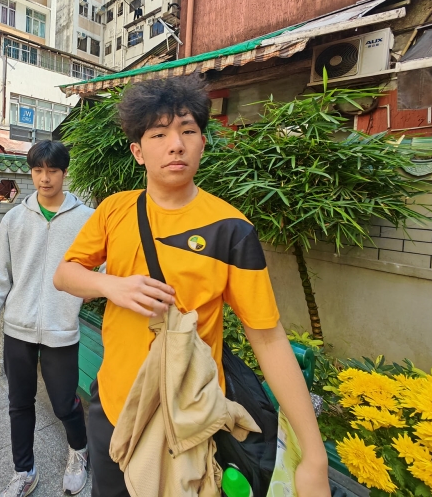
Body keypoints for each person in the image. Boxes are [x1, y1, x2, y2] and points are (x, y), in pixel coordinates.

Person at [54, 78, 331, 497]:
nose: (176, 145)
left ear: (202, 143)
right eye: (158, 134)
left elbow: (268, 338)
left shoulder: (231, 229)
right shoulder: (115, 210)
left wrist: (314, 456)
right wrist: (111, 285)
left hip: (189, 416)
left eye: (187, 131)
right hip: (113, 404)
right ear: (138, 152)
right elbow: (65, 274)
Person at [0, 140, 94, 497]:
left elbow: (104, 266)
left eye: (52, 170)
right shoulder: (14, 219)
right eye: (38, 170)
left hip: (61, 328)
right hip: (18, 329)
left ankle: (79, 451)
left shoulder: (87, 219)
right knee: (19, 404)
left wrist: (87, 290)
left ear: (64, 173)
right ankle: (24, 471)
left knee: (64, 403)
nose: (45, 178)